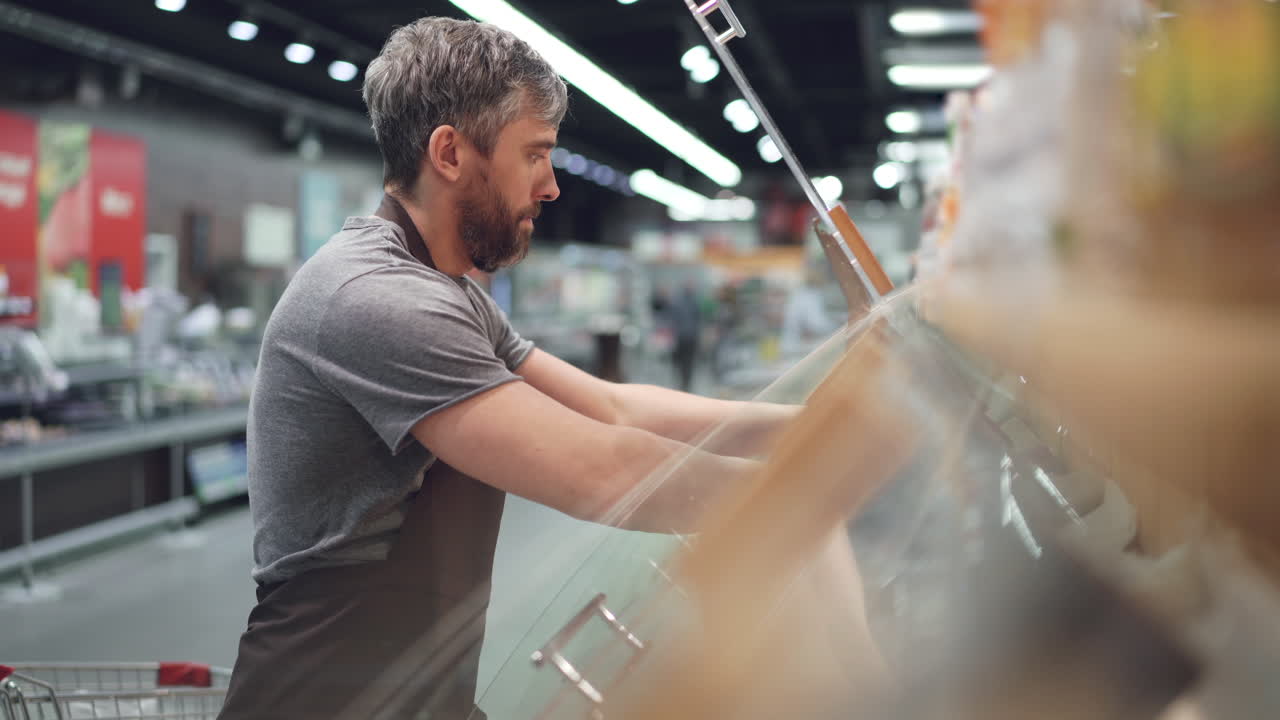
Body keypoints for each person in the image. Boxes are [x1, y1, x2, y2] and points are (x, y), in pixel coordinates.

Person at [218, 17, 793, 720]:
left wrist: (806, 427)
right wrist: (817, 484)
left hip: (415, 692)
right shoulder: (377, 299)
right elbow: (602, 468)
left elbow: (615, 410)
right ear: (451, 153)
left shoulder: (450, 292)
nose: (551, 186)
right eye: (536, 154)